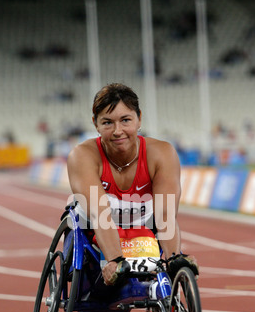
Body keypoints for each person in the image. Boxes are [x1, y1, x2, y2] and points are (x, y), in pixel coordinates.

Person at [67, 83, 198, 285]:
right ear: (95, 124)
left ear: (139, 119)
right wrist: (115, 260)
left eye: (125, 120)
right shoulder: (82, 156)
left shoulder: (161, 153)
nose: (118, 131)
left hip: (142, 225)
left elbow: (165, 214)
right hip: (95, 227)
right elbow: (98, 214)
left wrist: (173, 258)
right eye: (107, 123)